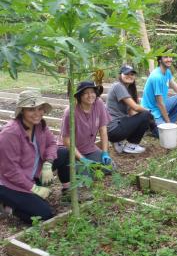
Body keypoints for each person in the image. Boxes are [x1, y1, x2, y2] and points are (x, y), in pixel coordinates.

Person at [0, 90, 56, 223]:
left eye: (40, 108)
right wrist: (34, 188)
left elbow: (53, 143)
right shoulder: (10, 133)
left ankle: (66, 188)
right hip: (7, 183)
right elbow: (10, 171)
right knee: (44, 214)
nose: (37, 113)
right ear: (22, 111)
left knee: (64, 154)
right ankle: (7, 207)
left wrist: (48, 163)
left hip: (28, 175)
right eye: (31, 109)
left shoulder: (39, 126)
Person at [52, 81, 112, 193]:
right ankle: (70, 171)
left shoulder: (98, 103)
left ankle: (88, 167)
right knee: (85, 179)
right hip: (72, 152)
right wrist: (82, 159)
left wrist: (105, 152)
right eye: (86, 93)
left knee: (110, 166)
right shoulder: (70, 112)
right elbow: (66, 141)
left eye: (92, 92)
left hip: (89, 148)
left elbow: (103, 129)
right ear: (79, 96)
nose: (90, 95)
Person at [106, 65, 153, 154]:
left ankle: (118, 142)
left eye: (132, 74)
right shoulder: (118, 86)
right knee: (146, 114)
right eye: (126, 73)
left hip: (115, 129)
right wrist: (148, 113)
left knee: (144, 116)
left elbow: (131, 112)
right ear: (120, 75)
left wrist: (145, 121)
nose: (130, 76)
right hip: (114, 129)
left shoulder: (126, 89)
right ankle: (132, 145)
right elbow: (135, 107)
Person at [141, 55, 177, 132]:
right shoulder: (157, 77)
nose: (169, 59)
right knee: (163, 133)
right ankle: (156, 126)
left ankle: (167, 124)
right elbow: (160, 104)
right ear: (160, 60)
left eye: (170, 57)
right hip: (151, 111)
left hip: (161, 105)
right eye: (166, 57)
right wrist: (169, 124)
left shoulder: (167, 72)